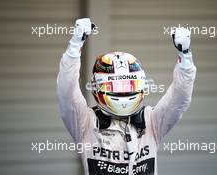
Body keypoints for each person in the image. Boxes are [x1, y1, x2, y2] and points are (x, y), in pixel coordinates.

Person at [57, 18, 196, 175]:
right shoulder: (86, 123)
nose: (123, 92)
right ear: (97, 88)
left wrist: (185, 57)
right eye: (115, 86)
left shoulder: (151, 121)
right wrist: (74, 46)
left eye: (129, 86)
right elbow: (67, 92)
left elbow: (180, 98)